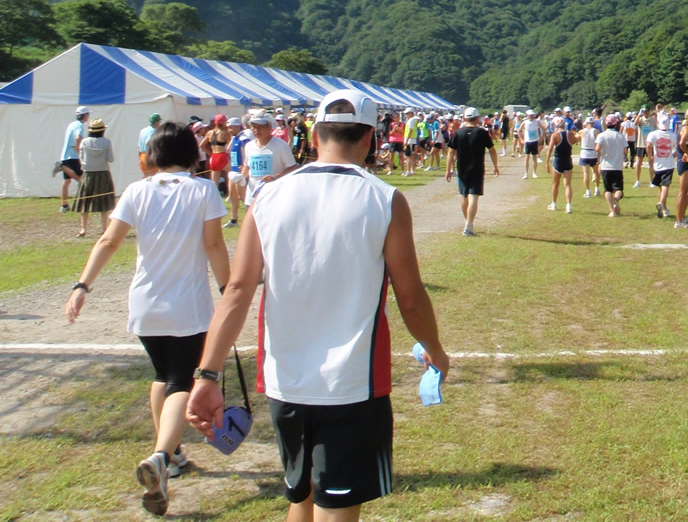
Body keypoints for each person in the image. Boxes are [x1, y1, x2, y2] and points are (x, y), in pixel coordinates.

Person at [186, 89, 449, 521]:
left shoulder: (268, 196)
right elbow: (410, 296)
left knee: (302, 496)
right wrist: (435, 349)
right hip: (352, 383)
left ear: (313, 133)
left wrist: (207, 374)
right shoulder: (384, 199)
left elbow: (237, 291)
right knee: (337, 507)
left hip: (285, 382)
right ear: (371, 138)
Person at [66, 121, 231, 517]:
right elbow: (213, 244)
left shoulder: (137, 191)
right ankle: (162, 456)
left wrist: (83, 285)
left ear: (153, 153)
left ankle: (172, 454)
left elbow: (109, 240)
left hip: (145, 302)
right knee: (182, 381)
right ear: (192, 154)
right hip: (187, 305)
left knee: (162, 376)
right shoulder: (202, 190)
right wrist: (229, 289)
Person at [445, 105, 498, 236]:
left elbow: (450, 152)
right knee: (474, 197)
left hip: (462, 169)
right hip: (477, 168)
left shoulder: (458, 133)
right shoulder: (482, 133)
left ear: (464, 118)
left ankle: (468, 222)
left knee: (464, 196)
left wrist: (448, 169)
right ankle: (469, 224)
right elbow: (492, 150)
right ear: (477, 118)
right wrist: (495, 166)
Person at [241, 111, 298, 207]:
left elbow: (292, 167)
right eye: (254, 127)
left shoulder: (281, 145)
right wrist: (240, 177)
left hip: (273, 197)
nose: (256, 130)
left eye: (260, 127)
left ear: (269, 127)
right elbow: (247, 166)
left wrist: (276, 177)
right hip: (252, 198)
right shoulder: (249, 146)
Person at [75, 117, 118, 238]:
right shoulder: (107, 142)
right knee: (104, 201)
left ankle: (83, 229)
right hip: (103, 173)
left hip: (88, 173)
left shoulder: (84, 142)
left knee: (85, 201)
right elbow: (111, 159)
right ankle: (104, 228)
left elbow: (81, 158)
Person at [57, 105, 90, 212]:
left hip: (65, 156)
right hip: (73, 157)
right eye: (88, 114)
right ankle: (84, 203)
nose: (88, 116)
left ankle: (64, 205)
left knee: (66, 181)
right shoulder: (80, 125)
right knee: (83, 180)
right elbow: (78, 137)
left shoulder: (71, 124)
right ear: (84, 115)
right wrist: (79, 150)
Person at [595, 113, 630, 217]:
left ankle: (611, 210)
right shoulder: (620, 136)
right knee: (619, 189)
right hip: (617, 166)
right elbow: (625, 151)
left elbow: (597, 149)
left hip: (605, 165)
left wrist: (604, 153)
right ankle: (616, 199)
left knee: (607, 189)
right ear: (616, 124)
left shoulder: (601, 135)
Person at [645, 121, 677, 219]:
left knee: (660, 186)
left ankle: (664, 209)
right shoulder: (672, 135)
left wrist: (650, 156)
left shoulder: (653, 134)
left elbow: (648, 145)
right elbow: (677, 149)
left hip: (657, 164)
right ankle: (662, 202)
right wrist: (672, 155)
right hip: (668, 164)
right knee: (665, 185)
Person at [546, 115, 575, 213]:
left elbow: (550, 149)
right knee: (567, 184)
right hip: (567, 159)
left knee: (555, 183)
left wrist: (547, 162)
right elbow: (574, 141)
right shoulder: (570, 134)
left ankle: (554, 203)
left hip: (558, 160)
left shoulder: (555, 135)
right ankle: (569, 205)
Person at [578, 113, 601, 200]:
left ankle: (588, 191)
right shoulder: (596, 131)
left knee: (586, 173)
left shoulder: (582, 131)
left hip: (584, 152)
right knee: (596, 172)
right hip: (593, 152)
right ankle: (597, 188)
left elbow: (577, 138)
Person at [518, 110, 542, 180]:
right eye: (530, 115)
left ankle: (534, 172)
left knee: (535, 158)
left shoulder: (537, 121)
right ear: (527, 115)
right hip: (528, 142)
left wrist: (541, 137)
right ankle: (526, 173)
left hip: (534, 141)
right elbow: (519, 130)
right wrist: (521, 139)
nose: (531, 116)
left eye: (532, 115)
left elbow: (543, 128)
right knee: (527, 158)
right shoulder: (525, 122)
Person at [138, 113, 162, 177]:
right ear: (157, 122)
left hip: (142, 155)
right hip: (150, 156)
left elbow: (139, 146)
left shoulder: (143, 130)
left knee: (146, 176)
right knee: (152, 176)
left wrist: (139, 158)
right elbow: (148, 142)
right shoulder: (154, 130)